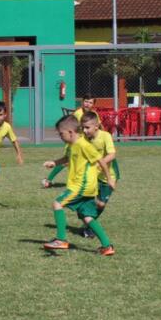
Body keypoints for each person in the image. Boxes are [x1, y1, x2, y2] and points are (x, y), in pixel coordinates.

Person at [42, 115, 116, 256]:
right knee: (86, 216)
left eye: (61, 134)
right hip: (84, 186)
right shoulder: (71, 145)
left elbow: (100, 161)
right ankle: (107, 246)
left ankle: (61, 239)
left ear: (70, 132)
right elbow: (66, 158)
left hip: (82, 186)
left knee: (57, 204)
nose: (60, 137)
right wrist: (54, 162)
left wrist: (109, 179)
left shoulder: (84, 145)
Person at [42, 94, 98, 188]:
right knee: (67, 161)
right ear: (82, 101)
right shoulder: (77, 113)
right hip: (74, 142)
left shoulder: (94, 115)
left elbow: (98, 126)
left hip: (86, 142)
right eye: (86, 101)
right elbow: (69, 124)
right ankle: (49, 180)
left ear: (93, 104)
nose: (87, 104)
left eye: (90, 102)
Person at [80, 111, 120, 220]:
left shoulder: (105, 136)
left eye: (87, 128)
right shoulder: (83, 138)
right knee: (85, 198)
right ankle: (89, 226)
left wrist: (98, 164)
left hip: (108, 177)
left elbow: (112, 155)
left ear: (96, 126)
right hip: (93, 176)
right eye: (83, 127)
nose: (84, 130)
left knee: (101, 204)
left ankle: (89, 223)